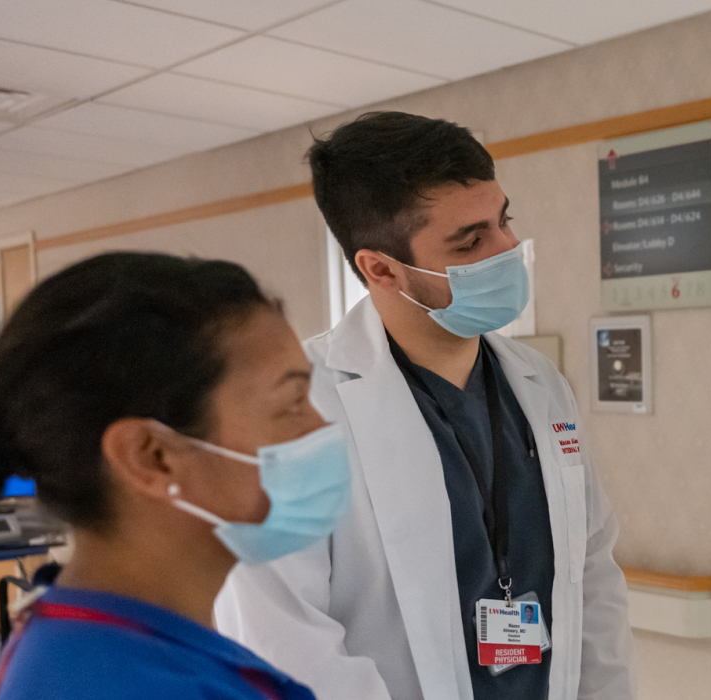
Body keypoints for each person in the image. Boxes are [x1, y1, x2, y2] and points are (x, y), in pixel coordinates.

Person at [215, 112, 633, 700]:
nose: (507, 248)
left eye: (503, 220)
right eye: (470, 240)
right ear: (380, 268)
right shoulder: (295, 406)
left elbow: (591, 573)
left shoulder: (540, 383)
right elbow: (281, 634)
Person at [0, 252, 343, 699]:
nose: (321, 429)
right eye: (293, 403)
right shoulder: (129, 685)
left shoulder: (100, 641)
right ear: (152, 456)